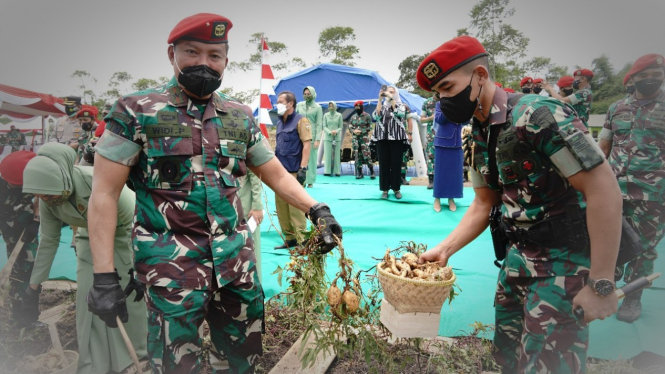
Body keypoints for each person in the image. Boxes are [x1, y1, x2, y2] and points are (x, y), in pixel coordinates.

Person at [86, 14, 341, 373]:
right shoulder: (136, 111)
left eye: (214, 55)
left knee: (241, 359)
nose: (204, 63)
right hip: (170, 269)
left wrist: (318, 210)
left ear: (226, 60)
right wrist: (103, 276)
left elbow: (275, 174)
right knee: (176, 364)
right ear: (171, 53)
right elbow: (104, 194)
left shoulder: (239, 116)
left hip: (236, 266)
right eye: (193, 51)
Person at [416, 35, 622, 374]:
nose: (443, 100)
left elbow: (603, 192)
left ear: (480, 75)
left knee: (549, 365)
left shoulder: (537, 115)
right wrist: (445, 249)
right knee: (507, 359)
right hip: (516, 262)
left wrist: (601, 283)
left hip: (561, 266)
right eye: (438, 93)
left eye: (448, 88)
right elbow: (484, 203)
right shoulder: (480, 131)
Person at [20, 143, 148, 374]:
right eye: (40, 197)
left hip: (126, 235)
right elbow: (48, 241)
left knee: (129, 299)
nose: (46, 201)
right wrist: (34, 287)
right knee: (90, 299)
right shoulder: (50, 198)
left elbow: (136, 225)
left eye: (48, 195)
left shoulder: (99, 183)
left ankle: (133, 359)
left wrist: (138, 270)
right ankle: (96, 363)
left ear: (63, 181)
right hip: (90, 238)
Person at [598, 53, 665, 323]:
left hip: (654, 193)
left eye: (656, 76)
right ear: (634, 78)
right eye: (644, 75)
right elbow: (603, 148)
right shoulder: (617, 108)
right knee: (608, 241)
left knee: (645, 248)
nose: (650, 80)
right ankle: (605, 286)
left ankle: (633, 297)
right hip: (614, 191)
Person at [0, 151, 40, 326]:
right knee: (20, 269)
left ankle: (28, 314)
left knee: (31, 268)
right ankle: (20, 315)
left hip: (28, 225)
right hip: (10, 227)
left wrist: (36, 220)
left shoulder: (36, 176)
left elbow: (40, 196)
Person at [274, 91, 313, 249]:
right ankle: (289, 238)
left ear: (290, 104)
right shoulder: (279, 123)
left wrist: (303, 168)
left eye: (281, 101)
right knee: (281, 205)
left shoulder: (301, 120)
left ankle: (302, 240)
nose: (278, 104)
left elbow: (307, 144)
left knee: (296, 206)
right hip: (279, 171)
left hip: (294, 170)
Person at [372, 85, 411, 200]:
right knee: (384, 164)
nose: (389, 93)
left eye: (392, 92)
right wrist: (380, 99)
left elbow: (399, 113)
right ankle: (385, 189)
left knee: (395, 164)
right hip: (382, 139)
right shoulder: (382, 106)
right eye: (388, 92)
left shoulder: (401, 106)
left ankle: (396, 189)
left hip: (396, 139)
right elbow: (376, 116)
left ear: (396, 94)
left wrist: (391, 99)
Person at [432, 102, 465, 212]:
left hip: (457, 142)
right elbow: (439, 119)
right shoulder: (440, 104)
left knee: (454, 173)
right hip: (442, 141)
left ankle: (451, 199)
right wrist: (449, 107)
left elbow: (465, 120)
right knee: (440, 172)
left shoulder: (460, 103)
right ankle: (437, 198)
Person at [238, 169, 264, 282]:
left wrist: (257, 206)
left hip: (245, 206)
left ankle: (254, 287)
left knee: (250, 247)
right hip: (223, 206)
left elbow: (255, 173)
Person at [296, 86, 323, 188]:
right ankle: (300, 179)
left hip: (312, 136)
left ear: (313, 94)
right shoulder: (299, 105)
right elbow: (295, 119)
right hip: (300, 135)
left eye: (309, 94)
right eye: (305, 94)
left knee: (311, 159)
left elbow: (319, 124)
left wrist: (317, 139)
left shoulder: (318, 107)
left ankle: (310, 180)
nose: (307, 96)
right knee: (300, 158)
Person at [348, 101, 375, 179]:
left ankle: (372, 172)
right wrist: (354, 131)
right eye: (356, 107)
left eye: (358, 107)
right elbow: (350, 127)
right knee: (357, 156)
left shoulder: (367, 116)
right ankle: (360, 173)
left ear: (362, 107)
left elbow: (370, 127)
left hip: (364, 139)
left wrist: (361, 131)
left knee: (366, 155)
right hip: (355, 139)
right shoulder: (353, 117)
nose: (357, 109)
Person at [421, 93, 438, 189]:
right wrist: (430, 118)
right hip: (431, 134)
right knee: (431, 156)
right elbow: (422, 119)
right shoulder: (427, 102)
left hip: (445, 135)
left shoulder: (447, 101)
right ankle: (431, 180)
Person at [322, 101, 342, 176]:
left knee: (337, 155)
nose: (331, 107)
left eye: (332, 105)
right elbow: (324, 126)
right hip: (328, 137)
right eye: (329, 105)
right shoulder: (325, 115)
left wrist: (336, 131)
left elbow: (341, 126)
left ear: (335, 106)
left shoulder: (339, 115)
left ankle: (337, 171)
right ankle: (327, 171)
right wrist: (330, 132)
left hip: (336, 137)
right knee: (327, 155)